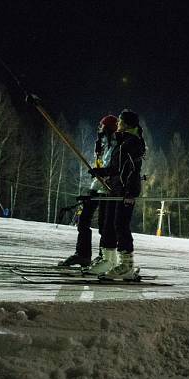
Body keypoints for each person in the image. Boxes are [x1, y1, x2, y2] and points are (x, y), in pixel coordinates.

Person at [86, 109, 146, 280]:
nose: (118, 124)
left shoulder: (132, 142)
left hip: (126, 191)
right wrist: (100, 171)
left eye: (120, 121)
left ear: (126, 124)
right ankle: (110, 260)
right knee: (110, 224)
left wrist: (129, 191)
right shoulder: (124, 141)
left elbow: (129, 170)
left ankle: (127, 265)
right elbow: (116, 168)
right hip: (116, 189)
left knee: (121, 224)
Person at [58, 114, 118, 267]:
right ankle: (83, 255)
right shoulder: (103, 144)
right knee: (83, 220)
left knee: (105, 224)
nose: (100, 130)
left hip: (108, 188)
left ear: (109, 128)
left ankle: (103, 257)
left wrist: (102, 172)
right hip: (96, 186)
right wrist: (97, 166)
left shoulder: (117, 145)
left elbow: (115, 168)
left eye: (102, 127)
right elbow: (100, 162)